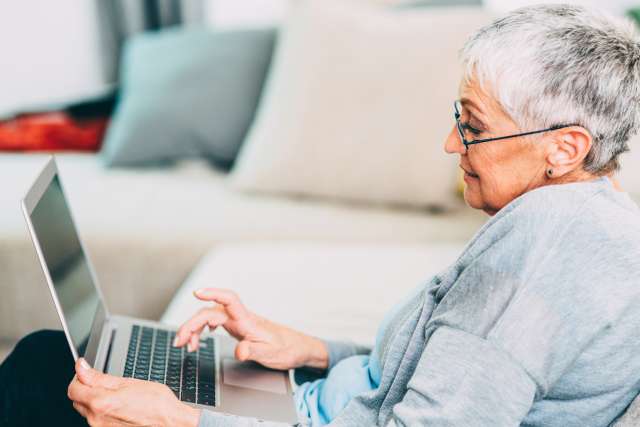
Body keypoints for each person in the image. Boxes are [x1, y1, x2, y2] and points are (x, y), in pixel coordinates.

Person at [2, 4, 640, 427]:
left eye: (472, 128)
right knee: (51, 359)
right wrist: (308, 350)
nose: (453, 145)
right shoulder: (582, 215)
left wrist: (183, 421)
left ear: (565, 148)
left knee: (43, 373)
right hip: (312, 405)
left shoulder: (548, 251)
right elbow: (444, 364)